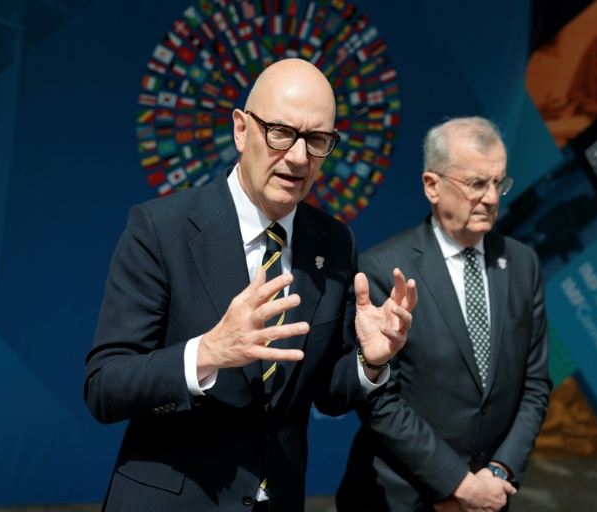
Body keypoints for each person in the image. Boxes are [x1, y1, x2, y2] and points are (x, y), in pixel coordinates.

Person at [84, 58, 417, 512]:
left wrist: (369, 362)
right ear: (241, 130)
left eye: (317, 140)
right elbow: (105, 387)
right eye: (280, 132)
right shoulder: (161, 229)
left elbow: (324, 392)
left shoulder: (335, 242)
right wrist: (207, 353)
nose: (298, 157)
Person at [336, 117, 551, 511]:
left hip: (489, 496)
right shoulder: (384, 270)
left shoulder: (523, 264)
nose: (491, 198)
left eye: (499, 183)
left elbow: (535, 384)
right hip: (401, 498)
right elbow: (380, 400)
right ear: (432, 186)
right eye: (476, 184)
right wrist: (458, 485)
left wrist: (499, 472)